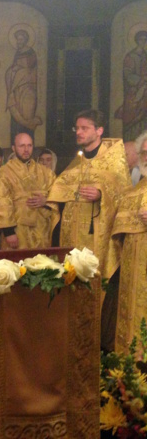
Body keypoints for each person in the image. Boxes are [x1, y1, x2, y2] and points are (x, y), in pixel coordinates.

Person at [46, 110, 131, 350]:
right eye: (77, 128)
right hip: (73, 235)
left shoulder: (115, 158)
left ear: (99, 130)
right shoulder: (77, 160)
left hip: (99, 238)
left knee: (99, 285)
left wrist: (102, 194)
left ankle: (99, 345)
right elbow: (60, 188)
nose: (79, 132)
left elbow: (124, 194)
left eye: (84, 128)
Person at [0, 133, 58, 250]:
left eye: (29, 145)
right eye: (22, 146)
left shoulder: (46, 172)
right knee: (16, 265)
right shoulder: (4, 172)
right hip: (17, 230)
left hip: (42, 230)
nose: (26, 150)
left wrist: (46, 201)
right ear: (14, 148)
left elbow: (57, 195)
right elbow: (0, 201)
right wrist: (8, 232)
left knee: (42, 264)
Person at [111, 130, 147, 353]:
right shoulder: (135, 190)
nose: (146, 157)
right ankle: (128, 368)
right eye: (144, 152)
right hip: (133, 268)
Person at [5, 29, 41, 141]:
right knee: (15, 121)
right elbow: (14, 69)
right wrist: (12, 70)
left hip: (27, 91)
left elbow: (28, 68)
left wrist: (17, 69)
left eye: (20, 39)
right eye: (17, 39)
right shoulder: (18, 53)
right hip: (17, 90)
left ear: (25, 40)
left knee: (26, 117)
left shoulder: (30, 52)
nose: (18, 42)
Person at [115, 31, 147, 141]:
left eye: (145, 40)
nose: (143, 42)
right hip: (133, 94)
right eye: (141, 39)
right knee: (132, 120)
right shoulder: (130, 57)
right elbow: (128, 75)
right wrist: (142, 80)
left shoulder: (146, 56)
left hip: (145, 93)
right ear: (137, 41)